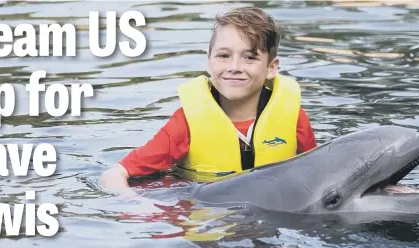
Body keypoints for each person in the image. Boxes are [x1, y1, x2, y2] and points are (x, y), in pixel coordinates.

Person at [100, 7, 317, 195]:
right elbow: (114, 175)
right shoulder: (187, 123)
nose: (234, 66)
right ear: (209, 61)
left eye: (249, 57)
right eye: (224, 55)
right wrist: (137, 204)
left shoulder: (293, 118)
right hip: (206, 220)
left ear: (271, 67)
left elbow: (319, 179)